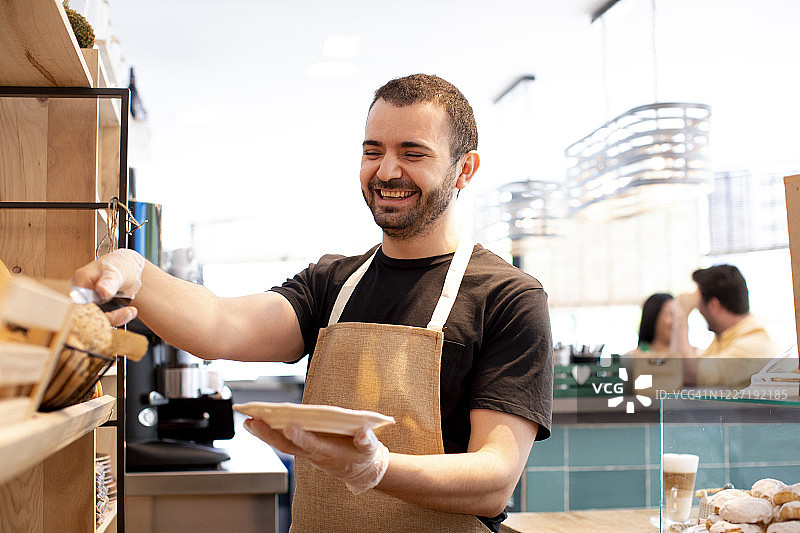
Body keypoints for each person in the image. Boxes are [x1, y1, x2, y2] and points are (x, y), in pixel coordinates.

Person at [73, 74, 554, 532]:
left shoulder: (508, 298)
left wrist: (377, 467)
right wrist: (137, 272)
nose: (386, 171)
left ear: (464, 169)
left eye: (413, 153)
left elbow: (493, 479)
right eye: (373, 151)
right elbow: (221, 324)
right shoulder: (334, 283)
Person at [671, 264, 779, 389]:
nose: (698, 309)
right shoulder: (726, 337)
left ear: (713, 306)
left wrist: (681, 315)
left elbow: (686, 375)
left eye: (699, 304)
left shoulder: (756, 343)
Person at [625, 293, 683, 395]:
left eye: (677, 315)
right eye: (670, 314)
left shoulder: (689, 356)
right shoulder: (631, 358)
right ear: (653, 316)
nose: (676, 321)